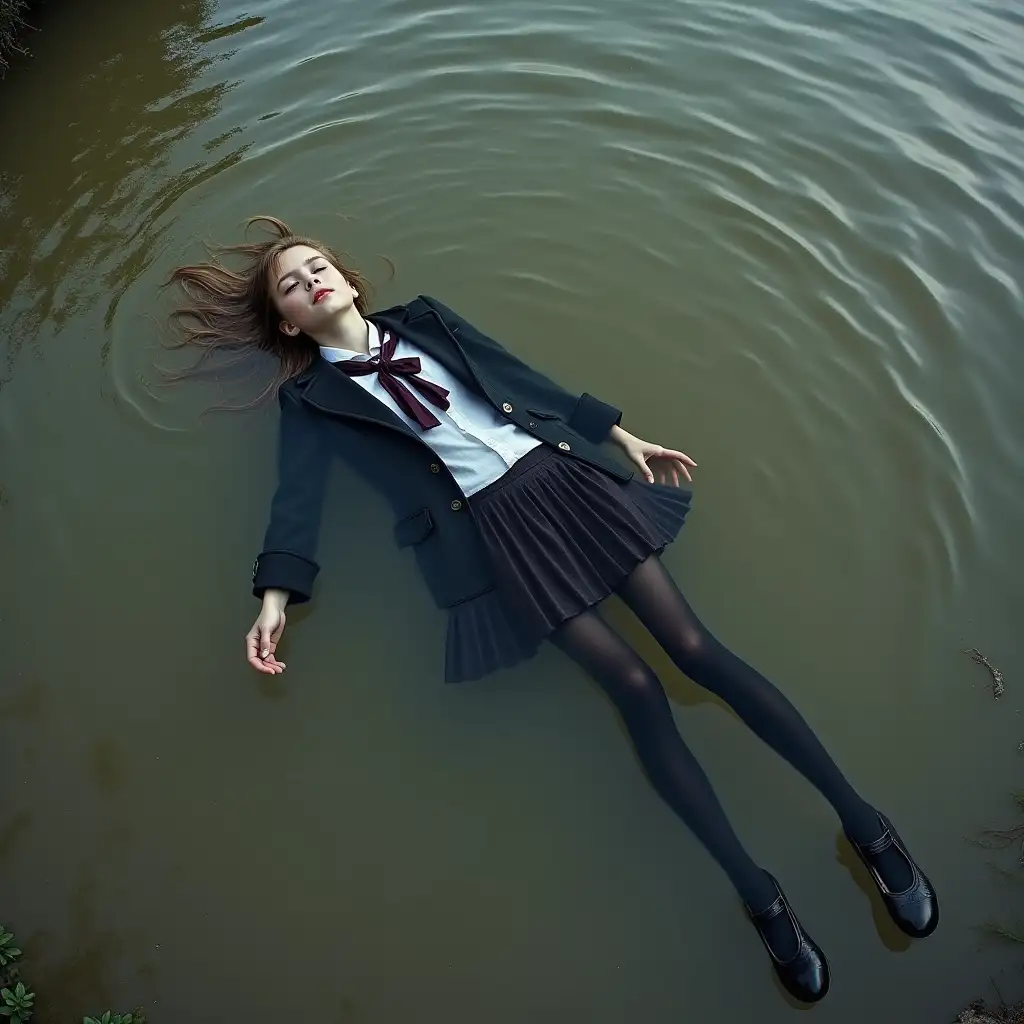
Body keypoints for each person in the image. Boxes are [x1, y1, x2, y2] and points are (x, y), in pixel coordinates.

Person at [169, 216, 938, 1002]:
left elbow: (521, 377)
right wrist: (272, 601)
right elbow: (295, 501)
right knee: (636, 692)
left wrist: (621, 435)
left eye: (317, 265)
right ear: (289, 322)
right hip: (494, 532)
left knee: (695, 651)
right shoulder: (312, 400)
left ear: (349, 278)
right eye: (291, 285)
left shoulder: (427, 317)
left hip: (559, 480)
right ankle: (760, 896)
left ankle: (866, 826)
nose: (311, 281)